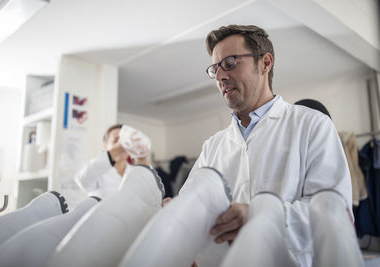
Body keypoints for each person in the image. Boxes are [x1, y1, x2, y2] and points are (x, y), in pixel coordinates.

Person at [181, 25, 353, 266]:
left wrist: (258, 218)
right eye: (215, 68)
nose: (220, 76)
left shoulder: (312, 125)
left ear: (265, 63)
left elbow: (334, 216)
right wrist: (175, 213)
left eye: (230, 62)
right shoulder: (213, 146)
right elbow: (190, 206)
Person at [75, 124, 149, 200]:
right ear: (105, 146)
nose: (123, 145)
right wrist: (116, 150)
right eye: (116, 140)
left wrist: (142, 156)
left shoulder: (135, 172)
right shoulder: (97, 170)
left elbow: (149, 193)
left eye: (126, 141)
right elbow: (82, 180)